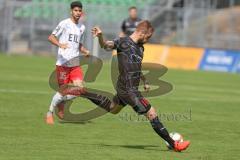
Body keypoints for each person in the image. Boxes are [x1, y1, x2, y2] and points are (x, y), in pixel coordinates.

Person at [90, 20, 190, 152]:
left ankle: (82, 92)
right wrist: (100, 37)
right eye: (148, 37)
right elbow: (105, 46)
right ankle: (174, 144)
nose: (148, 40)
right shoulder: (123, 42)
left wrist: (144, 80)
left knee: (113, 108)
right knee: (151, 112)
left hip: (130, 88)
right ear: (142, 33)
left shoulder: (141, 48)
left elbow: (136, 67)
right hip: (128, 89)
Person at [45, 1, 90, 125]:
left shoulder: (82, 27)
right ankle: (50, 112)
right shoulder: (64, 24)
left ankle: (61, 102)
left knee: (80, 89)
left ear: (82, 12)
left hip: (75, 64)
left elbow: (78, 44)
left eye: (79, 11)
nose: (77, 13)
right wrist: (60, 44)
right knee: (62, 91)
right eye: (75, 10)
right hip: (63, 64)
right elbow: (51, 37)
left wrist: (84, 50)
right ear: (71, 11)